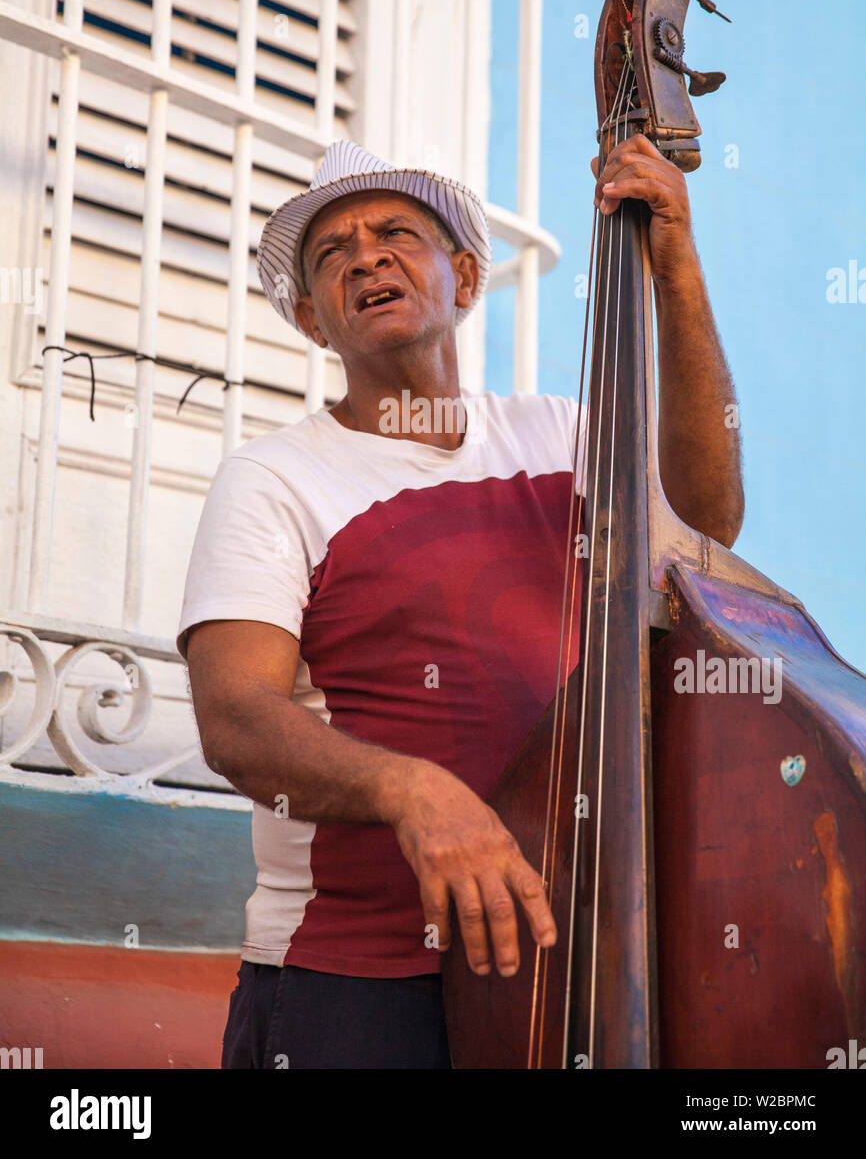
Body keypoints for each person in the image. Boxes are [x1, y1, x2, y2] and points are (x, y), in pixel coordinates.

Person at [177, 135, 743, 1069]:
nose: (366, 257)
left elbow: (707, 520)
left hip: (567, 961)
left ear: (466, 278)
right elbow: (236, 718)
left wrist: (675, 266)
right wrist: (412, 790)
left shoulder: (566, 434)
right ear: (317, 322)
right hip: (355, 985)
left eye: (397, 232)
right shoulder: (273, 480)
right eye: (332, 255)